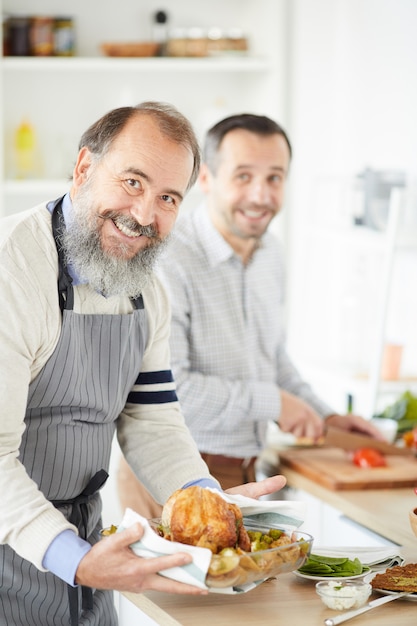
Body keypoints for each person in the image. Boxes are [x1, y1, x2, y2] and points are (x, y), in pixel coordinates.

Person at [0, 102, 287, 626]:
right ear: (84, 168)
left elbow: (151, 419)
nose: (144, 215)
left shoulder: (145, 289)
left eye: (168, 198)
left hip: (90, 544)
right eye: (132, 182)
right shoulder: (11, 269)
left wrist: (207, 500)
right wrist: (76, 559)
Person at [117, 112, 384, 514]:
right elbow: (170, 391)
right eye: (243, 176)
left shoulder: (271, 253)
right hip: (170, 475)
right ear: (206, 180)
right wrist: (275, 403)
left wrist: (325, 417)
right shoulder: (168, 259)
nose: (260, 195)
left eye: (274, 178)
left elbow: (272, 358)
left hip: (244, 474)